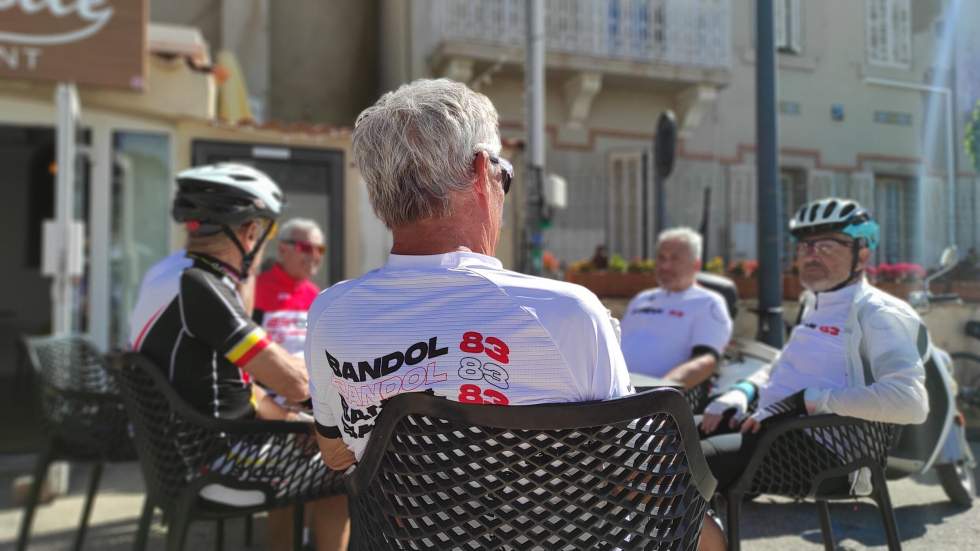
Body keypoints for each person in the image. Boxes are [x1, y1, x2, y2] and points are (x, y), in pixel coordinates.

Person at [304, 78, 632, 472]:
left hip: (405, 533)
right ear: (482, 170)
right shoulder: (564, 313)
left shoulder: (330, 314)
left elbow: (337, 456)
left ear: (378, 198)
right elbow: (631, 473)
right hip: (550, 533)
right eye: (504, 175)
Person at [128, 163, 347, 551]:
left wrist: (300, 417)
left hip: (182, 457)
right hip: (216, 464)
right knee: (342, 464)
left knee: (306, 440)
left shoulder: (167, 272)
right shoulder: (200, 285)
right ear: (250, 232)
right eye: (267, 234)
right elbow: (293, 382)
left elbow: (239, 388)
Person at [696, 198, 929, 550]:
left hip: (827, 453)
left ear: (862, 254)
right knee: (668, 437)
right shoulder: (814, 302)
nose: (810, 255)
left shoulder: (877, 313)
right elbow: (785, 368)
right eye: (805, 245)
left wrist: (817, 400)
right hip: (774, 430)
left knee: (683, 468)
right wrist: (742, 391)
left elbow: (911, 402)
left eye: (827, 245)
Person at [619, 227, 733, 389]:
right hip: (616, 395)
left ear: (696, 265)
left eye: (674, 259)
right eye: (661, 258)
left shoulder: (708, 303)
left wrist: (660, 391)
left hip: (660, 400)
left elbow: (705, 361)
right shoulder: (641, 298)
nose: (665, 266)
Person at [255, 218, 326, 355]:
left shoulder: (317, 296)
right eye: (306, 248)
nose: (315, 256)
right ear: (282, 249)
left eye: (320, 249)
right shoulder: (256, 289)